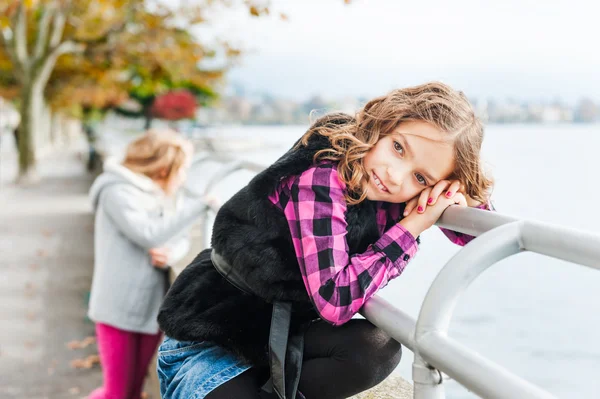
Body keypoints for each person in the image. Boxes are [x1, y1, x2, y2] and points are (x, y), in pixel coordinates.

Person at [157, 82, 495, 399]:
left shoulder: (392, 189)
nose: (395, 174)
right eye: (398, 148)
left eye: (421, 177)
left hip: (280, 341)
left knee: (378, 348)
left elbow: (473, 234)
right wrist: (413, 226)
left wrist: (460, 196)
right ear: (384, 123)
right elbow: (336, 300)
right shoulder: (323, 172)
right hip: (211, 343)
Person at [86, 129, 208, 399]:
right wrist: (199, 206)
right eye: (182, 169)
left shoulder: (158, 193)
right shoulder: (115, 191)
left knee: (132, 391)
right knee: (117, 393)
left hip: (149, 308)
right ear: (163, 168)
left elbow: (179, 238)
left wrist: (173, 254)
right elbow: (149, 234)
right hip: (116, 309)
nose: (184, 177)